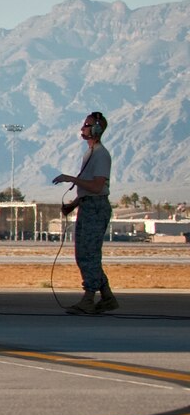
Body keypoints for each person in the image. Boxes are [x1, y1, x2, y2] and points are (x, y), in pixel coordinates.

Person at [54, 111, 115, 315]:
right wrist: (73, 204)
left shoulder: (101, 155)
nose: (83, 128)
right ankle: (106, 296)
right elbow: (89, 188)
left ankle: (89, 298)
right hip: (88, 206)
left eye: (87, 125)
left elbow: (97, 187)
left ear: (96, 129)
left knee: (88, 255)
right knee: (85, 254)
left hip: (96, 208)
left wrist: (71, 178)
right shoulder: (90, 154)